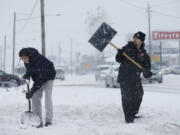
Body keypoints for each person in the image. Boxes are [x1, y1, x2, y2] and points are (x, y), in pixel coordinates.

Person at [115, 31, 152, 123]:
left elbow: (146, 70)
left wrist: (147, 73)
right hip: (125, 77)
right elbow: (118, 59)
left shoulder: (143, 53)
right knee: (127, 97)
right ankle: (128, 117)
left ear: (141, 41)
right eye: (134, 38)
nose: (134, 40)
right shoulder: (127, 48)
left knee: (139, 95)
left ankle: (133, 113)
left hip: (135, 78)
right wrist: (119, 53)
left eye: (137, 38)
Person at [19, 47, 56, 128]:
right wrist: (27, 75)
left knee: (47, 98)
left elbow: (39, 80)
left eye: (25, 58)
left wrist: (31, 92)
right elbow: (30, 69)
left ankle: (49, 120)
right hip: (39, 78)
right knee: (35, 97)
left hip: (49, 76)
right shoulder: (27, 61)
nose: (24, 60)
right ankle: (37, 120)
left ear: (29, 56)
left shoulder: (38, 60)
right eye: (22, 58)